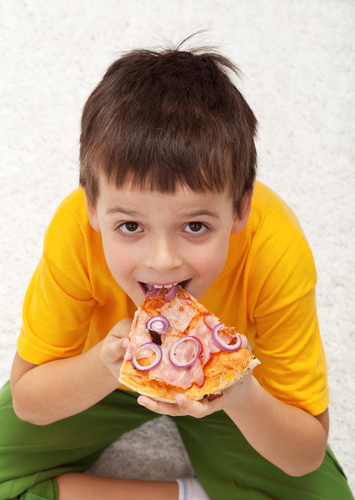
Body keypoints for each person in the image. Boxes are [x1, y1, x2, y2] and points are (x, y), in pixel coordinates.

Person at [0, 38, 353, 500]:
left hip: (232, 386)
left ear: (240, 212)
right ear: (92, 209)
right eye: (129, 225)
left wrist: (241, 393)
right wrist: (110, 363)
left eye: (195, 226)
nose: (162, 261)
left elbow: (304, 452)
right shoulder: (73, 232)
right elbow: (30, 401)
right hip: (102, 368)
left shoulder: (276, 250)